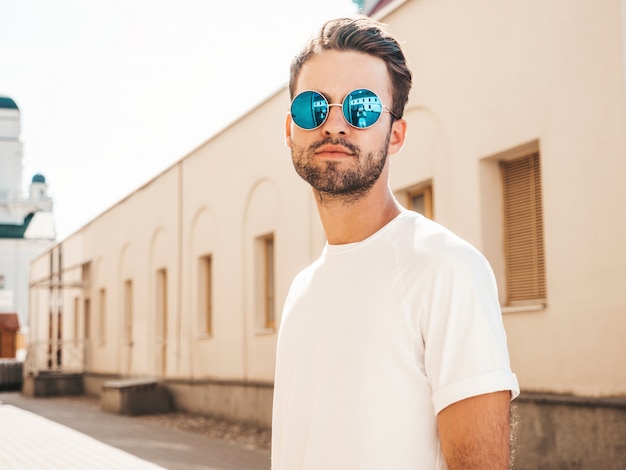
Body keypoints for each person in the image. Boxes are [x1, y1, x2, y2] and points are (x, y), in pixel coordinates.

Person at [271, 16, 520, 470]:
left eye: (362, 108)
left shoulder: (447, 270)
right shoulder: (300, 292)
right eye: (313, 107)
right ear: (290, 129)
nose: (335, 125)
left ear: (396, 134)